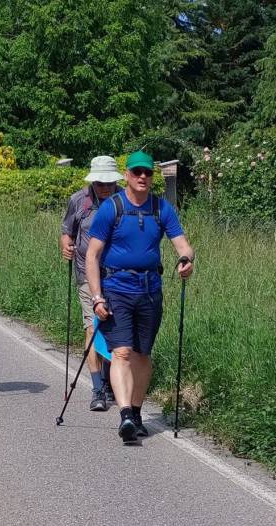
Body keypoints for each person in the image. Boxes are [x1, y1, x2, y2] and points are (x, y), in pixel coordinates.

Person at [85, 150, 194, 444]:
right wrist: (97, 297)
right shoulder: (112, 208)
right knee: (122, 352)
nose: (143, 177)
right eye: (137, 172)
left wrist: (185, 259)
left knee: (143, 355)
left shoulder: (162, 208)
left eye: (147, 172)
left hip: (149, 291)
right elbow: (92, 256)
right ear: (127, 175)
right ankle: (125, 417)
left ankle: (136, 411)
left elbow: (183, 244)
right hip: (116, 289)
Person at [61, 156, 123, 411]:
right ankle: (97, 388)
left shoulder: (125, 200)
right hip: (87, 275)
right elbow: (67, 230)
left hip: (119, 276)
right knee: (93, 327)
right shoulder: (79, 200)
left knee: (115, 330)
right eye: (99, 182)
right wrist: (65, 244)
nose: (105, 187)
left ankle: (111, 380)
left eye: (109, 182)